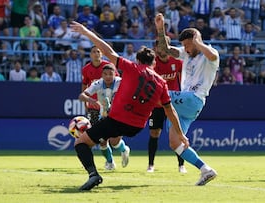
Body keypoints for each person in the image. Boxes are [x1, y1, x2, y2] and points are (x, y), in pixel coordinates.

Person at [70, 20, 188, 191]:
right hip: (137, 127)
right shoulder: (162, 83)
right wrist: (180, 133)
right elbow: (170, 111)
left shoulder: (131, 67)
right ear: (154, 64)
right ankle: (118, 150)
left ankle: (94, 175)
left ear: (138, 60)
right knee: (110, 136)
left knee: (81, 143)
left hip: (117, 119)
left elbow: (107, 50)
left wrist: (87, 33)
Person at [155, 13, 219, 185]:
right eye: (184, 46)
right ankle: (206, 170)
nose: (186, 49)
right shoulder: (186, 53)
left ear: (196, 41)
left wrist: (197, 41)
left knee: (158, 93)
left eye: (188, 45)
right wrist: (161, 29)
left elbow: (212, 56)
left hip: (193, 99)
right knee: (175, 144)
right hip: (183, 106)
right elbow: (167, 50)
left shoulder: (210, 54)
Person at [79, 63, 130, 171]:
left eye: (110, 74)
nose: (108, 77)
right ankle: (110, 162)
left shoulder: (120, 82)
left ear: (114, 74)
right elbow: (81, 96)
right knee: (102, 141)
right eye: (105, 74)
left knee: (114, 142)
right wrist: (90, 100)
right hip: (104, 115)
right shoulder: (98, 83)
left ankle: (124, 149)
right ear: (102, 75)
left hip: (119, 115)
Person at [147, 38, 185, 173]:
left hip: (173, 104)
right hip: (157, 105)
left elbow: (184, 80)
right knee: (154, 132)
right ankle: (151, 165)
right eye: (159, 47)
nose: (162, 50)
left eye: (164, 46)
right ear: (156, 48)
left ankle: (181, 165)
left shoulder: (177, 62)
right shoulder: (152, 64)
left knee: (176, 133)